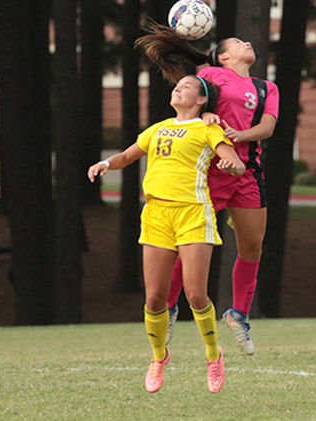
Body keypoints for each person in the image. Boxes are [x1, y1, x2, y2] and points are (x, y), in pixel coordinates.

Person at [88, 75, 245, 394]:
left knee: (196, 295)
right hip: (157, 214)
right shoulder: (158, 128)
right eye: (177, 86)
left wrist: (231, 164)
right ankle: (159, 357)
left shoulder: (208, 127)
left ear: (201, 100)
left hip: (192, 212)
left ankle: (213, 354)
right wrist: (106, 162)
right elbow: (128, 156)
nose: (178, 88)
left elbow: (234, 161)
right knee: (155, 297)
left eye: (186, 86)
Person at [135, 23, 279, 356]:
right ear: (224, 56)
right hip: (211, 172)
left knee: (253, 247)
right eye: (239, 41)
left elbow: (268, 127)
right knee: (190, 246)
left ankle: (238, 314)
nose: (248, 42)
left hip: (246, 171)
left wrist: (242, 136)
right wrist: (210, 115)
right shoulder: (212, 74)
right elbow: (193, 101)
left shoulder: (266, 87)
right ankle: (169, 308)